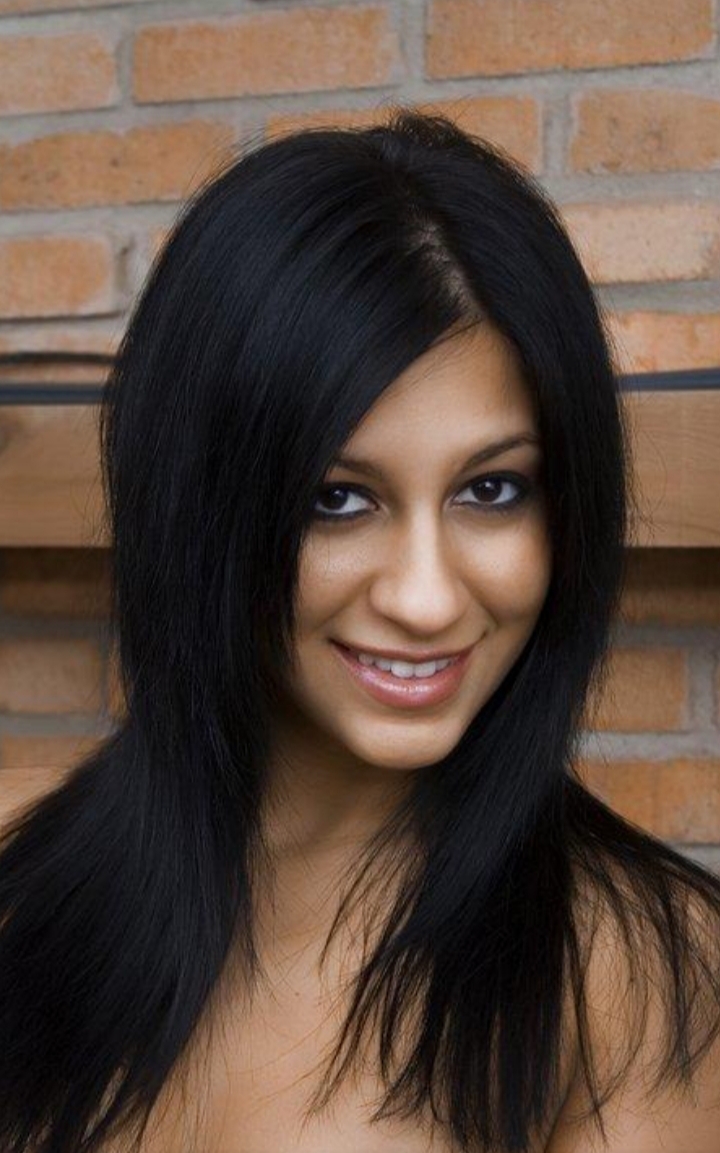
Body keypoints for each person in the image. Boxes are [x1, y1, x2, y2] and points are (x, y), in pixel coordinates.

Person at [1, 106, 719, 1153]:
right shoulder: (22, 871)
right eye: (338, 498)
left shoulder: (644, 984)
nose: (426, 598)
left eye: (491, 489)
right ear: (203, 507)